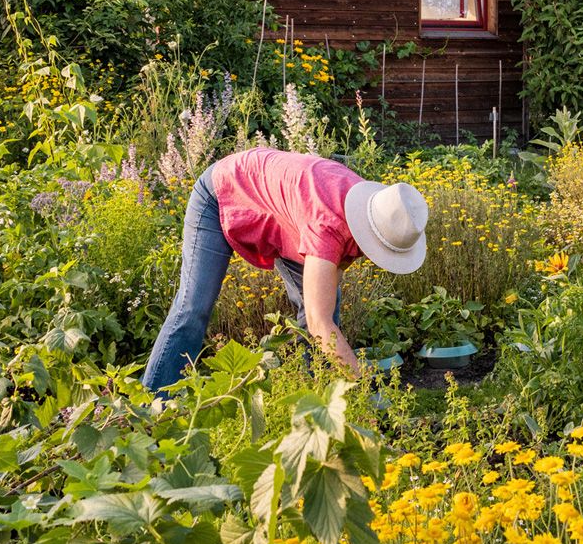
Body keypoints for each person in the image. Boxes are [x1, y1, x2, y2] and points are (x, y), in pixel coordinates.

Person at [142, 146, 430, 392]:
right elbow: (320, 323)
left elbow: (326, 294)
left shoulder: (373, 209)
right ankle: (155, 407)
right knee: (194, 306)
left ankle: (313, 399)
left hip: (290, 213)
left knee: (325, 305)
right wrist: (363, 387)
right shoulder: (328, 225)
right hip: (221, 191)